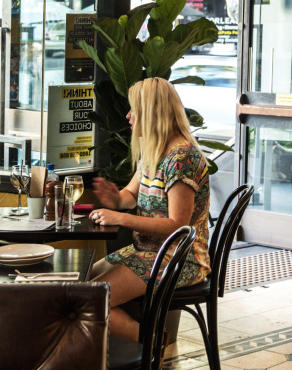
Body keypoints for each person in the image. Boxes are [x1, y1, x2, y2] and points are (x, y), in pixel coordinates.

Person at [89, 77, 211, 340]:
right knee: (79, 286)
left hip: (180, 259)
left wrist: (120, 217)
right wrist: (115, 199)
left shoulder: (182, 158)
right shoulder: (153, 150)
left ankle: (152, 342)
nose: (128, 115)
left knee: (88, 299)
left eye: (134, 108)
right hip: (148, 251)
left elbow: (177, 225)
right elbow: (130, 195)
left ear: (152, 112)